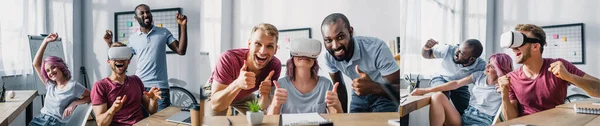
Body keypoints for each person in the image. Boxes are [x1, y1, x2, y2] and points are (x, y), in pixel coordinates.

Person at [498, 24, 600, 120]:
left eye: (520, 42)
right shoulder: (511, 78)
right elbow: (510, 119)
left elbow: (598, 89)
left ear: (536, 46)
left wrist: (569, 77)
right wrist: (504, 94)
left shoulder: (560, 66)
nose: (513, 48)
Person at [103, 4, 188, 111]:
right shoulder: (133, 39)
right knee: (140, 120)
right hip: (139, 86)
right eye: (142, 13)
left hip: (160, 87)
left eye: (148, 12)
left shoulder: (164, 32)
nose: (146, 14)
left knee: (161, 121)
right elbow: (119, 57)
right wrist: (110, 43)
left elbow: (181, 50)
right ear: (136, 18)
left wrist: (183, 26)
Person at [321, 13, 400, 113]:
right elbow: (339, 86)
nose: (335, 46)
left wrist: (373, 87)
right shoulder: (328, 55)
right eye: (328, 40)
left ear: (350, 32)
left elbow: (399, 90)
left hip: (384, 95)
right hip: (358, 95)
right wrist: (343, 117)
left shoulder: (377, 48)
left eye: (340, 37)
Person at [412, 53, 513, 126]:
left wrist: (505, 92)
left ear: (499, 69)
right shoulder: (479, 76)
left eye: (491, 66)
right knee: (437, 96)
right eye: (488, 63)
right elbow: (456, 83)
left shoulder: (505, 86)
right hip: (465, 118)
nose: (486, 66)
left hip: (482, 122)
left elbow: (508, 112)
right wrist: (425, 90)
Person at [208, 23, 281, 115]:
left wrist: (264, 96)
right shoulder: (228, 58)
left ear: (275, 50)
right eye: (258, 44)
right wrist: (238, 83)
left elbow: (263, 105)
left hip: (243, 95)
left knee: (261, 118)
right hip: (218, 93)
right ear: (249, 44)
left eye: (269, 46)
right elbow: (216, 106)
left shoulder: (274, 66)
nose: (263, 52)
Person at [91, 42, 162, 126]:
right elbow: (101, 123)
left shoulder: (136, 80)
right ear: (109, 61)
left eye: (123, 56)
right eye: (115, 57)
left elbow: (152, 111)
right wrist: (112, 110)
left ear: (128, 61)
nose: (120, 60)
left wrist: (153, 101)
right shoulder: (100, 86)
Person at [267, 38, 343, 115]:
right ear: (292, 58)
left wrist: (337, 106)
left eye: (309, 54)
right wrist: (275, 105)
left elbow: (336, 119)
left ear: (314, 59)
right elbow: (271, 121)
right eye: (300, 53)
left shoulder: (325, 84)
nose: (304, 55)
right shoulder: (281, 85)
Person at [29, 33, 91, 126]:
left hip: (54, 123)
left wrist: (74, 103)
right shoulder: (50, 85)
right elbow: (36, 64)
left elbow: (92, 96)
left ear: (60, 66)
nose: (51, 72)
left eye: (53, 67)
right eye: (47, 71)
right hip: (40, 119)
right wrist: (45, 41)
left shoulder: (73, 86)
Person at [421, 38, 486, 115]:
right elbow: (428, 55)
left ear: (471, 59)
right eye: (458, 48)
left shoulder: (481, 66)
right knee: (442, 95)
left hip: (460, 85)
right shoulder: (448, 50)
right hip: (441, 78)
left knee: (465, 112)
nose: (456, 52)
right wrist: (426, 47)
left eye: (461, 52)